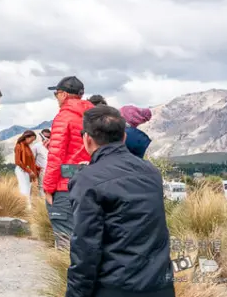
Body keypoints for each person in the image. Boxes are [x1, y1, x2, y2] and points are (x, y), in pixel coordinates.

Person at [67, 105, 175, 297]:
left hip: (115, 288)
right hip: (160, 286)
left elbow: (85, 248)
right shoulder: (151, 172)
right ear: (124, 137)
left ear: (87, 138)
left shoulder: (87, 179)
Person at [42, 76, 94, 249]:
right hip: (90, 182)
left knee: (65, 240)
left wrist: (48, 188)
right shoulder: (93, 116)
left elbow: (56, 157)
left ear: (63, 94)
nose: (56, 98)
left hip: (65, 186)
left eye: (56, 94)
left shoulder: (64, 117)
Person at [13, 130, 38, 202]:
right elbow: (18, 161)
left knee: (28, 190)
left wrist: (37, 168)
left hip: (27, 171)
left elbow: (30, 161)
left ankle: (28, 207)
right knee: (24, 190)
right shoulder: (18, 146)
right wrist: (29, 171)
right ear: (27, 137)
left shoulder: (27, 147)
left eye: (33, 141)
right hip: (21, 170)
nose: (32, 142)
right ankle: (25, 207)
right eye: (31, 140)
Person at [32, 129, 51, 196]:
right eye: (45, 136)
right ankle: (42, 201)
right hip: (42, 171)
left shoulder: (53, 146)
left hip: (52, 171)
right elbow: (32, 159)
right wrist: (36, 170)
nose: (46, 138)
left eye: (48, 137)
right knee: (41, 187)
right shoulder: (36, 146)